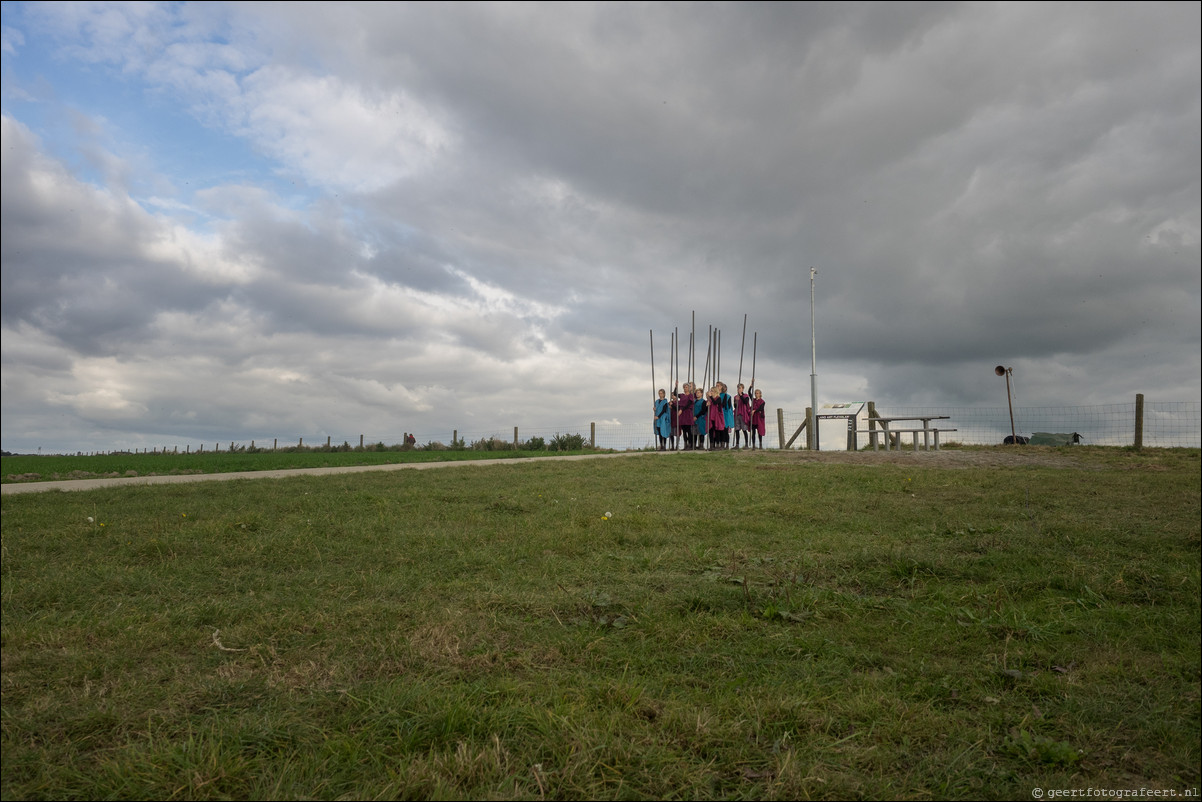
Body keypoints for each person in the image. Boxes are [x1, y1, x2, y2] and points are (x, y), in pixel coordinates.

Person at [675, 381, 695, 450]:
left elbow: (689, 404)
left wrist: (681, 410)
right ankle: (685, 444)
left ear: (689, 388)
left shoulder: (690, 396)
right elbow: (675, 394)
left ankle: (690, 444)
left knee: (689, 430)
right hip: (682, 414)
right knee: (684, 430)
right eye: (684, 387)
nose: (685, 388)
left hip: (687, 413)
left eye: (686, 387)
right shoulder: (682, 395)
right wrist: (676, 386)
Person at [732, 383, 752, 449]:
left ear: (742, 389)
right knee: (737, 430)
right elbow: (735, 406)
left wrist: (741, 396)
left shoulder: (745, 396)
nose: (739, 389)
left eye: (740, 388)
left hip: (743, 414)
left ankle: (746, 444)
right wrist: (736, 402)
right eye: (738, 388)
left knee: (744, 429)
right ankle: (737, 444)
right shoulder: (735, 397)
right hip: (737, 413)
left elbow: (745, 402)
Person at [693, 386, 708, 451]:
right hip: (694, 418)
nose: (697, 394)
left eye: (698, 392)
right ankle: (694, 445)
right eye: (696, 392)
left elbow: (703, 410)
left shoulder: (703, 401)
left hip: (701, 418)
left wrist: (697, 416)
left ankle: (701, 445)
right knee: (694, 432)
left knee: (701, 432)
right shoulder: (694, 401)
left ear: (701, 394)